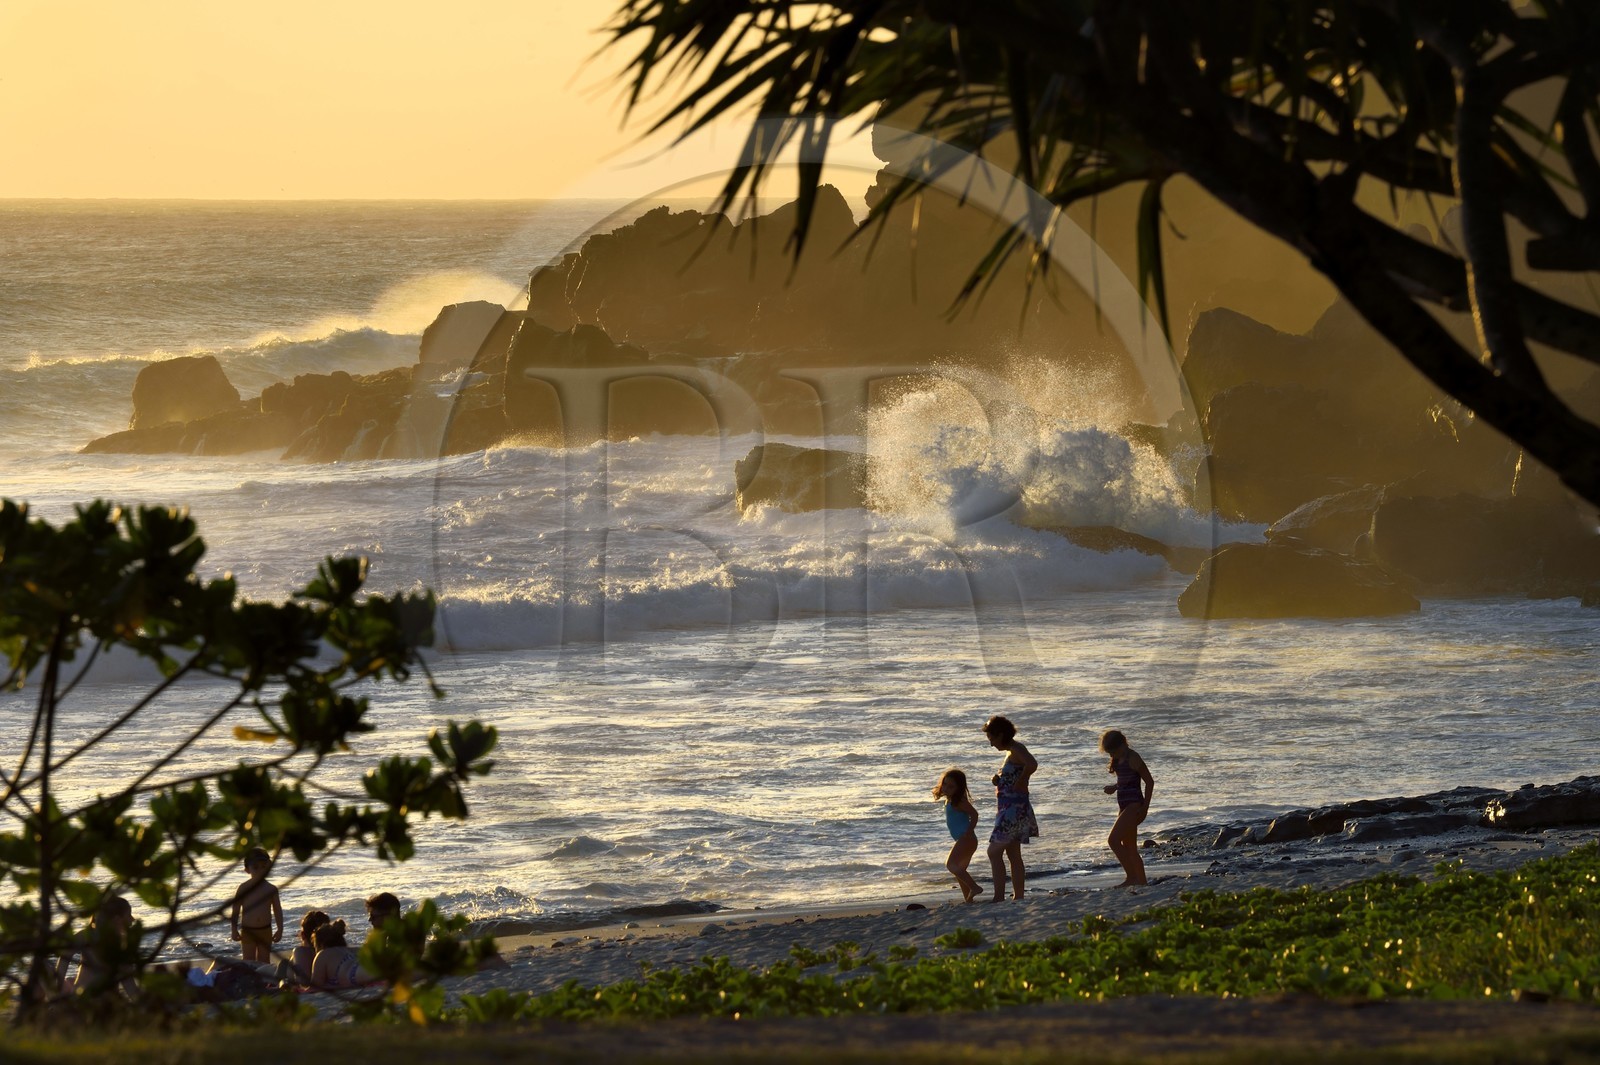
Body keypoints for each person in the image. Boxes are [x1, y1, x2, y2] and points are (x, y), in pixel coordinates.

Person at [982, 715, 1038, 902]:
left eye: (992, 739)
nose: (991, 744)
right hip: (1011, 808)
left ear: (1001, 735)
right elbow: (1018, 769)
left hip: (1013, 810)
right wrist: (999, 778)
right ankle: (1018, 896)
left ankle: (999, 897)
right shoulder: (1011, 751)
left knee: (993, 852)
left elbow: (1032, 764)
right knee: (1013, 853)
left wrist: (1021, 781)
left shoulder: (1015, 748)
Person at [55, 894, 138, 998]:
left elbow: (64, 954)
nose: (132, 920)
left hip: (81, 998)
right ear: (117, 920)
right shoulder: (120, 947)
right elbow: (130, 986)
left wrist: (58, 986)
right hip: (103, 1005)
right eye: (129, 915)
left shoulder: (87, 935)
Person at [1100, 729, 1155, 887]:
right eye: (1110, 752)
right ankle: (1141, 882)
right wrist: (1114, 787)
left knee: (1113, 840)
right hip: (1123, 805)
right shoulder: (1118, 759)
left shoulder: (1133, 757)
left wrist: (1145, 808)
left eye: (1114, 751)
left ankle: (1133, 877)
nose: (1112, 755)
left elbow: (1149, 782)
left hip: (1134, 805)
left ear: (1123, 744)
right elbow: (1126, 780)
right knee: (1130, 847)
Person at [932, 768, 982, 903]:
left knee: (950, 864)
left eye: (951, 786)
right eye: (945, 784)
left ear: (958, 788)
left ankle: (974, 887)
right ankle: (968, 900)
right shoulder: (950, 800)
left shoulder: (958, 801)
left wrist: (970, 829)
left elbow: (974, 814)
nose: (947, 788)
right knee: (960, 872)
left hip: (966, 839)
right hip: (966, 840)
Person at [230, 847, 283, 963]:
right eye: (255, 867)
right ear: (247, 870)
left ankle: (264, 981)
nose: (260, 870)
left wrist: (280, 929)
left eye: (263, 867)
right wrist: (234, 930)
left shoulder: (271, 889)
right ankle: (250, 981)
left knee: (264, 961)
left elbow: (278, 910)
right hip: (248, 931)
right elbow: (235, 910)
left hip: (266, 930)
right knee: (249, 961)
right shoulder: (243, 888)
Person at [308, 919, 376, 990]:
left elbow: (314, 987)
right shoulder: (353, 949)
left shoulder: (323, 954)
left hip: (352, 974)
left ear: (320, 944)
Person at [284, 909, 330, 987]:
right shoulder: (332, 951)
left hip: (282, 972)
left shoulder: (301, 952)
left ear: (303, 935)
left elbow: (303, 982)